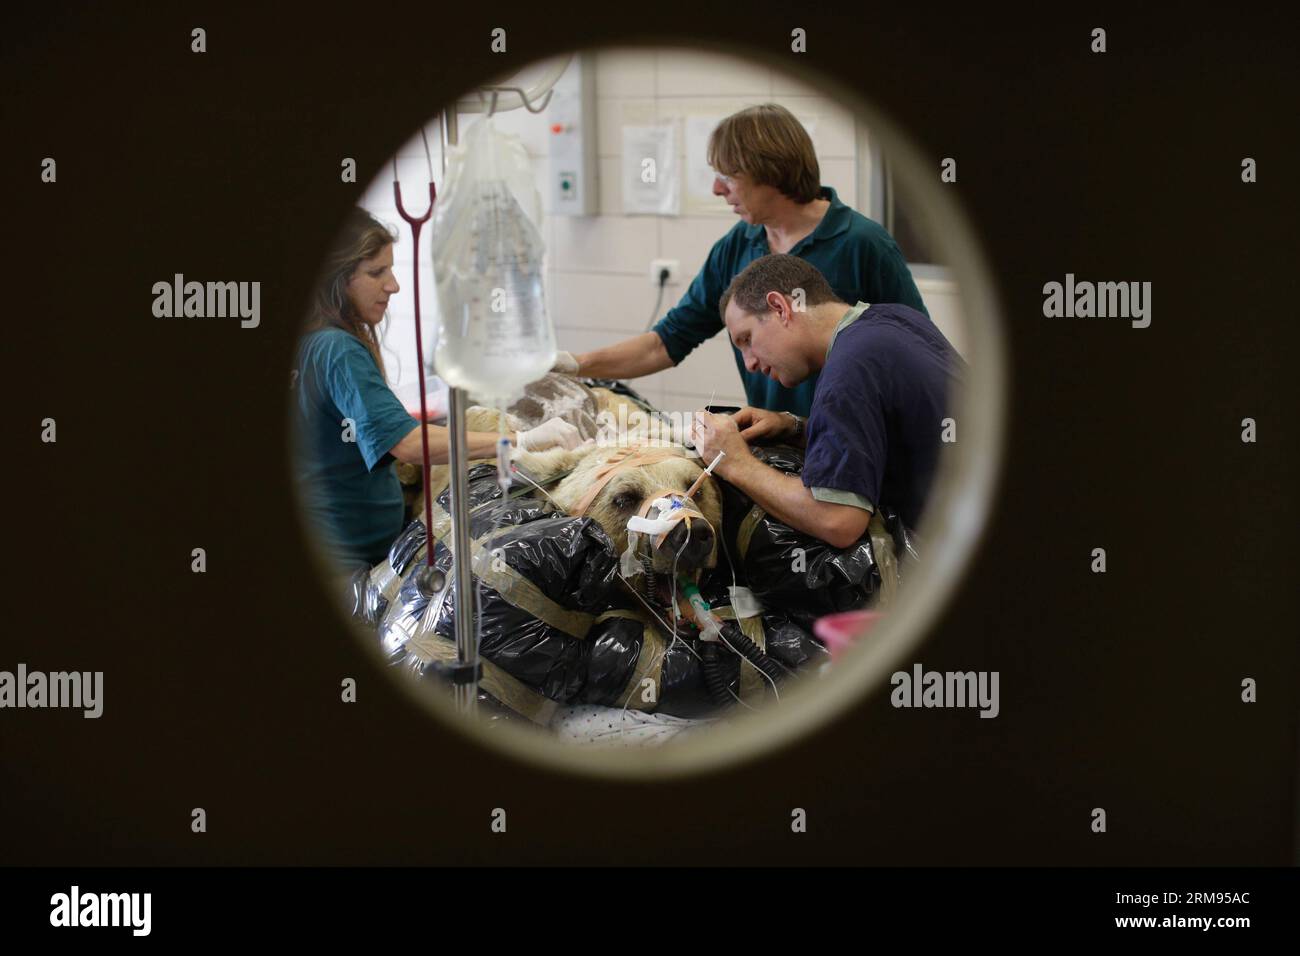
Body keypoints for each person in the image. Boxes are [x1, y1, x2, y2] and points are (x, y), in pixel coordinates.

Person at [552, 103, 926, 417]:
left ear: (770, 170)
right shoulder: (737, 246)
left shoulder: (863, 244)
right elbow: (664, 343)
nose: (717, 189)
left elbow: (919, 354)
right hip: (779, 445)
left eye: (728, 176)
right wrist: (572, 365)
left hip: (853, 451)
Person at [293, 208, 583, 572]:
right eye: (376, 273)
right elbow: (409, 444)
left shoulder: (314, 340)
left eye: (391, 270)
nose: (393, 285)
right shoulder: (338, 349)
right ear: (335, 277)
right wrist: (519, 441)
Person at [691, 254, 965, 548]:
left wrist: (734, 462)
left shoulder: (849, 369)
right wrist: (796, 428)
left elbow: (838, 521)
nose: (749, 364)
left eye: (746, 339)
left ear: (780, 308)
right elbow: (885, 438)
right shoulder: (895, 319)